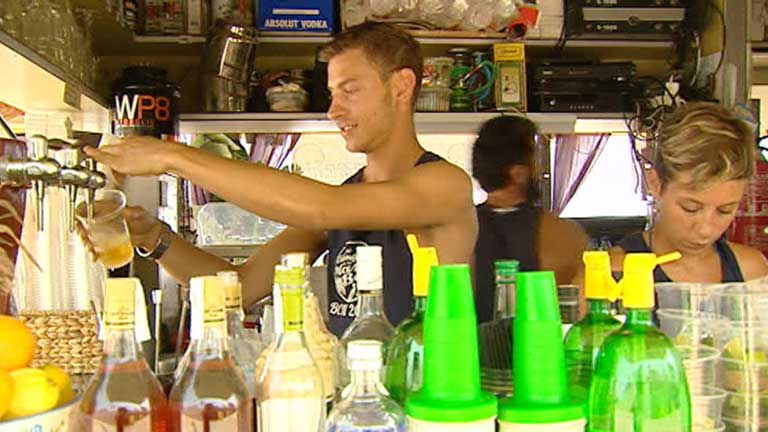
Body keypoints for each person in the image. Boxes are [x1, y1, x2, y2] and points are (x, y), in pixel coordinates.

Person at [84, 22, 478, 336]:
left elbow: (324, 207)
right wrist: (153, 237)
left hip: (428, 404)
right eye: (332, 94)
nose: (334, 111)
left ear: (401, 87)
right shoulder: (345, 198)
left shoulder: (445, 185)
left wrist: (172, 156)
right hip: (355, 400)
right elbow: (238, 288)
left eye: (350, 91)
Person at [611, 102, 768, 283]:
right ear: (655, 183)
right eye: (690, 208)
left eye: (724, 210)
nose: (705, 230)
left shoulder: (752, 272)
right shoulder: (611, 273)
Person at [471, 116, 588, 323]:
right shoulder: (563, 235)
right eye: (535, 160)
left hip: (467, 343)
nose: (539, 169)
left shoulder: (458, 230)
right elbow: (582, 312)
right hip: (541, 342)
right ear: (518, 173)